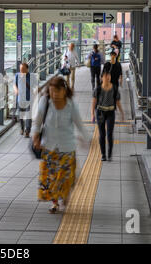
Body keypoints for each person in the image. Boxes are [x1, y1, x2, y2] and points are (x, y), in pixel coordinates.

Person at [32, 76, 88, 213]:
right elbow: (38, 121)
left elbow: (79, 122)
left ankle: (65, 195)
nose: (54, 95)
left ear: (64, 90)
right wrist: (35, 138)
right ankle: (54, 203)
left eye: (57, 92)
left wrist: (86, 138)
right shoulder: (45, 102)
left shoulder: (71, 104)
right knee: (51, 177)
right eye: (51, 92)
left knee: (65, 176)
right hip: (49, 146)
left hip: (67, 146)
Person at [91, 63, 125, 162]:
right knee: (102, 134)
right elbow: (94, 102)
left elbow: (117, 102)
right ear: (102, 78)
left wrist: (122, 112)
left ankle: (109, 153)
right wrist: (92, 114)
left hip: (110, 112)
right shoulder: (97, 89)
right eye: (105, 76)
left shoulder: (114, 88)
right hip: (100, 112)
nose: (107, 78)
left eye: (108, 76)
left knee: (109, 133)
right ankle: (103, 154)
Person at [14, 63, 37, 138]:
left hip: (29, 99)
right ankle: (21, 128)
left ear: (27, 69)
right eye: (20, 70)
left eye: (23, 69)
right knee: (20, 115)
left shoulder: (32, 76)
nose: (21, 71)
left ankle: (27, 131)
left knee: (28, 116)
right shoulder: (17, 75)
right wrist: (16, 90)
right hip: (20, 98)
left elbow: (36, 86)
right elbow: (15, 85)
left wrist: (35, 91)